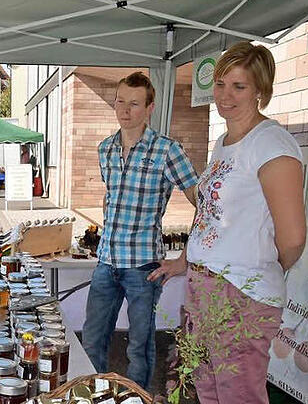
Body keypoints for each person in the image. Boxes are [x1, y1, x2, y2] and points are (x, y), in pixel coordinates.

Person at [148, 42, 306, 403]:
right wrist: (186, 260)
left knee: (238, 395)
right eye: (221, 84)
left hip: (241, 294)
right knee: (207, 390)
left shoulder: (271, 144)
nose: (225, 95)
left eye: (240, 86)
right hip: (205, 287)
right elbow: (211, 216)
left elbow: (293, 237)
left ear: (261, 91)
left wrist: (251, 269)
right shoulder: (224, 141)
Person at [81, 71, 198, 390]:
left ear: (149, 108)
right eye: (120, 101)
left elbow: (204, 204)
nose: (125, 110)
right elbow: (112, 196)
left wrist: (183, 259)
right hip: (106, 262)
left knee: (139, 348)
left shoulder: (167, 150)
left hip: (144, 266)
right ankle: (95, 397)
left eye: (134, 103)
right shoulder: (105, 149)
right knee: (92, 341)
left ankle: (136, 399)